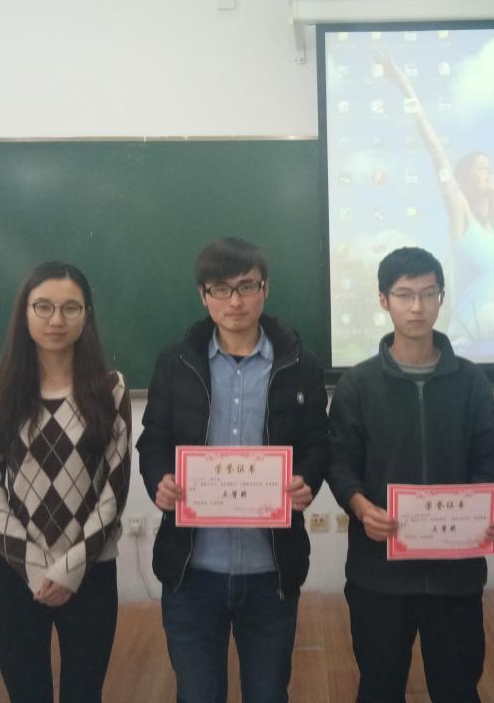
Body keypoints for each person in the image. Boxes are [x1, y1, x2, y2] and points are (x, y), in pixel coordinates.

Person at [136, 237, 329, 703]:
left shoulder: (300, 364)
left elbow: (318, 444)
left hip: (271, 569)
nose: (235, 301)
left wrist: (305, 480)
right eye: (220, 289)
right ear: (203, 295)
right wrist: (160, 480)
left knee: (268, 693)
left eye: (246, 286)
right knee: (198, 694)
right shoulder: (175, 363)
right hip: (192, 570)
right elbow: (153, 440)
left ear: (266, 289)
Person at [328, 246, 494, 703]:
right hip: (379, 574)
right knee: (380, 687)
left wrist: (486, 509)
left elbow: (491, 455)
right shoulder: (358, 384)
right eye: (405, 294)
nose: (417, 307)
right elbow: (339, 461)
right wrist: (361, 507)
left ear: (442, 298)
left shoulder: (470, 380)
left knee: (457, 688)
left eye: (428, 294)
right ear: (383, 299)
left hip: (456, 574)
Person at [0, 261, 132, 703]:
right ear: (25, 314)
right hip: (15, 575)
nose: (56, 319)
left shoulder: (111, 391)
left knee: (85, 694)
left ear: (86, 315)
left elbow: (115, 489)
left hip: (91, 572)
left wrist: (70, 568)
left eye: (70, 308)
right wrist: (37, 569)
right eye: (43, 307)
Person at [373, 48, 494, 344]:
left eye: (490, 167)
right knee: (491, 313)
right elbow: (436, 152)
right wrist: (402, 83)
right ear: (464, 181)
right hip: (467, 333)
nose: (490, 171)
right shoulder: (462, 215)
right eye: (481, 168)